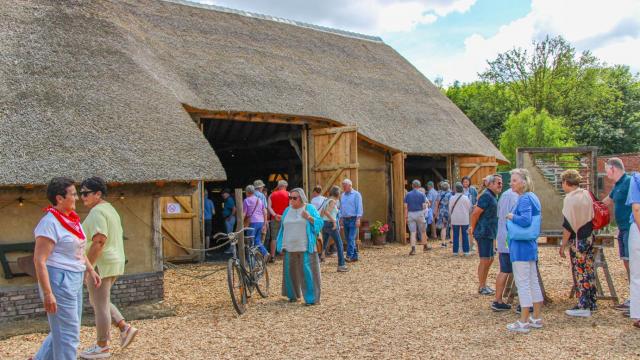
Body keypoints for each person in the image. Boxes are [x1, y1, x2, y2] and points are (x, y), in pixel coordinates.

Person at [32, 177, 101, 360]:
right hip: (59, 280)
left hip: (75, 278)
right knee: (68, 335)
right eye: (73, 194)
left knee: (63, 330)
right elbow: (39, 260)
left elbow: (77, 251)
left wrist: (90, 269)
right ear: (59, 198)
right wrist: (48, 293)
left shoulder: (72, 220)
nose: (77, 198)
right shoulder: (49, 223)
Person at [78, 177, 138, 359]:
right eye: (81, 193)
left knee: (100, 304)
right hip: (113, 261)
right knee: (98, 300)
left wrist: (88, 267)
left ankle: (102, 346)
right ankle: (124, 327)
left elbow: (99, 240)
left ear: (98, 194)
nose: (82, 197)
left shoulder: (97, 212)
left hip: (101, 263)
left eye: (86, 193)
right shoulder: (109, 209)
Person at [505, 168, 543, 333]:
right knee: (533, 281)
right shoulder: (534, 197)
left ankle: (524, 321)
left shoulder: (524, 199)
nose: (511, 183)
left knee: (523, 283)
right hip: (530, 246)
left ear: (523, 182)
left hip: (520, 246)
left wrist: (512, 217)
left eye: (514, 180)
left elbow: (526, 221)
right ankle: (536, 317)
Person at [558, 170, 597, 317]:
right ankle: (592, 301)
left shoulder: (569, 199)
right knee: (589, 269)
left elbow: (568, 225)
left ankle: (583, 305)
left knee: (579, 271)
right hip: (589, 236)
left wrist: (563, 244)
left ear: (566, 183)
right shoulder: (586, 194)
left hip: (578, 238)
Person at [276, 188, 324, 304]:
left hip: (306, 247)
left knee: (308, 273)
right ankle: (293, 296)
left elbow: (320, 223)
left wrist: (309, 217)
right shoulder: (287, 210)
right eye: (290, 197)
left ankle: (311, 299)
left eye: (294, 198)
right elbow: (283, 228)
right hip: (289, 247)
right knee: (290, 273)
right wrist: (280, 244)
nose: (291, 200)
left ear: (301, 198)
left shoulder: (309, 208)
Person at [602, 158, 633, 311]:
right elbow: (606, 202)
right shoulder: (617, 186)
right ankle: (633, 296)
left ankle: (636, 300)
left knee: (633, 264)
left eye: (607, 170)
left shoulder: (629, 182)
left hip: (630, 228)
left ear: (613, 169)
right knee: (627, 263)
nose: (606, 174)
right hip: (621, 229)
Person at [470, 174, 502, 296]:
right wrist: (473, 229)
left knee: (490, 259)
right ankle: (482, 286)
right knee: (484, 260)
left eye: (501, 182)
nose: (500, 185)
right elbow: (475, 214)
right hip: (483, 232)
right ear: (491, 184)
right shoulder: (487, 196)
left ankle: (484, 284)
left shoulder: (492, 196)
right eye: (498, 183)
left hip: (489, 232)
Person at [492, 187, 519, 312]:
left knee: (505, 269)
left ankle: (498, 300)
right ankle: (498, 300)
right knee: (507, 269)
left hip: (505, 236)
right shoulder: (512, 195)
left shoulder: (506, 195)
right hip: (508, 238)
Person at [320, 185, 348, 272]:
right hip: (331, 224)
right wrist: (334, 221)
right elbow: (327, 212)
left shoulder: (326, 200)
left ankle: (318, 260)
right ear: (337, 193)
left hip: (325, 224)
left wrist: (322, 222)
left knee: (324, 243)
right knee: (339, 244)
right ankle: (341, 265)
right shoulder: (333, 201)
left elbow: (321, 213)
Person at [627, 172, 640, 327]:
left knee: (637, 274)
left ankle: (638, 313)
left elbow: (636, 208)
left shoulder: (636, 179)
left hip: (637, 228)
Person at [340, 179, 363, 262]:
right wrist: (341, 218)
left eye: (344, 186)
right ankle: (355, 256)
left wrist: (358, 219)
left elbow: (359, 207)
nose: (343, 187)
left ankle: (348, 256)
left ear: (350, 185)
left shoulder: (356, 194)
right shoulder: (342, 195)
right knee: (348, 239)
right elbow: (341, 208)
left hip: (353, 219)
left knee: (350, 238)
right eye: (343, 186)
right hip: (345, 219)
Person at [243, 185, 269, 259]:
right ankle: (265, 252)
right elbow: (265, 212)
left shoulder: (246, 200)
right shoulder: (259, 200)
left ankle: (251, 261)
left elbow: (244, 213)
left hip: (252, 222)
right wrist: (264, 224)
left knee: (250, 241)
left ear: (247, 192)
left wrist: (240, 223)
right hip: (260, 222)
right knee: (257, 240)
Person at [404, 180, 429, 255]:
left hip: (411, 214)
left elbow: (405, 207)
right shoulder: (422, 194)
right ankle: (425, 246)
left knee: (412, 232)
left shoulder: (408, 194)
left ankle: (413, 249)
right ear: (419, 186)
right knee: (423, 231)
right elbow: (424, 206)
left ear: (412, 185)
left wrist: (406, 216)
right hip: (419, 213)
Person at [449, 182, 472, 256]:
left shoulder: (452, 198)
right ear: (462, 190)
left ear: (455, 189)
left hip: (455, 218)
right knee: (465, 235)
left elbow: (449, 209)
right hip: (464, 219)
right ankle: (466, 251)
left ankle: (455, 251)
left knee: (455, 235)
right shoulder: (466, 198)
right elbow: (470, 209)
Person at [268, 180, 289, 260]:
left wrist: (275, 215)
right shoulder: (289, 194)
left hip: (275, 219)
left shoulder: (271, 195)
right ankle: (284, 254)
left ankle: (272, 256)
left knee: (274, 237)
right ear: (285, 186)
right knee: (286, 236)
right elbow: (290, 206)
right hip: (286, 218)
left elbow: (269, 207)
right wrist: (283, 215)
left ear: (278, 186)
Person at [434, 182, 453, 247]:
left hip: (442, 212)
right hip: (450, 211)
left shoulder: (439, 194)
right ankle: (452, 240)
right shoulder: (450, 194)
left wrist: (436, 212)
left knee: (443, 227)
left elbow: (436, 204)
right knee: (452, 226)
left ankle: (443, 243)